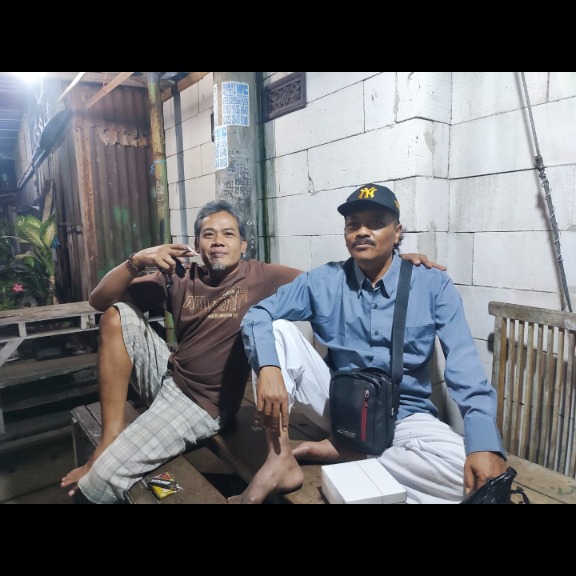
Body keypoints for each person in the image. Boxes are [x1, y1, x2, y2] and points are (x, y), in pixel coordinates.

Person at [60, 197, 443, 503]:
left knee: (100, 482)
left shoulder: (262, 276)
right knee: (116, 315)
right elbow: (98, 300)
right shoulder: (178, 275)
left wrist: (394, 262)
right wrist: (134, 262)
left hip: (200, 403)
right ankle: (110, 437)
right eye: (208, 234)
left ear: (243, 245)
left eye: (228, 234)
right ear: (196, 244)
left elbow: (333, 279)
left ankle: (107, 464)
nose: (218, 241)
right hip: (169, 375)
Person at [231, 183, 508, 505]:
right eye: (353, 224)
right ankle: (279, 459)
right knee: (276, 330)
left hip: (405, 417)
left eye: (376, 222)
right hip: (339, 406)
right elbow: (258, 315)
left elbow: (465, 367)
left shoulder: (432, 284)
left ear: (397, 232)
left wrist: (484, 443)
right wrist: (269, 368)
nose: (362, 231)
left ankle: (353, 453)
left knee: (478, 483)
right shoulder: (322, 281)